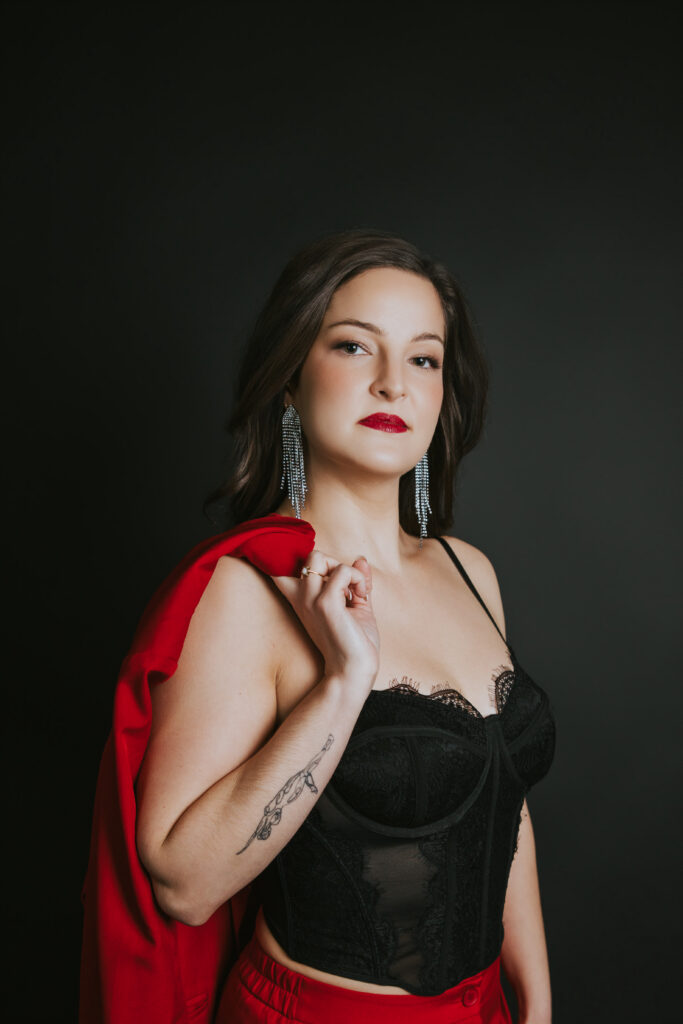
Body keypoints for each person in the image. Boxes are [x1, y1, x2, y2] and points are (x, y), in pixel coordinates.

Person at [79, 228, 556, 1024]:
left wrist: (534, 999)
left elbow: (502, 802)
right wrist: (342, 684)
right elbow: (183, 885)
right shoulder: (245, 591)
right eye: (353, 347)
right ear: (290, 383)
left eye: (423, 359)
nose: (392, 384)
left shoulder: (470, 571)